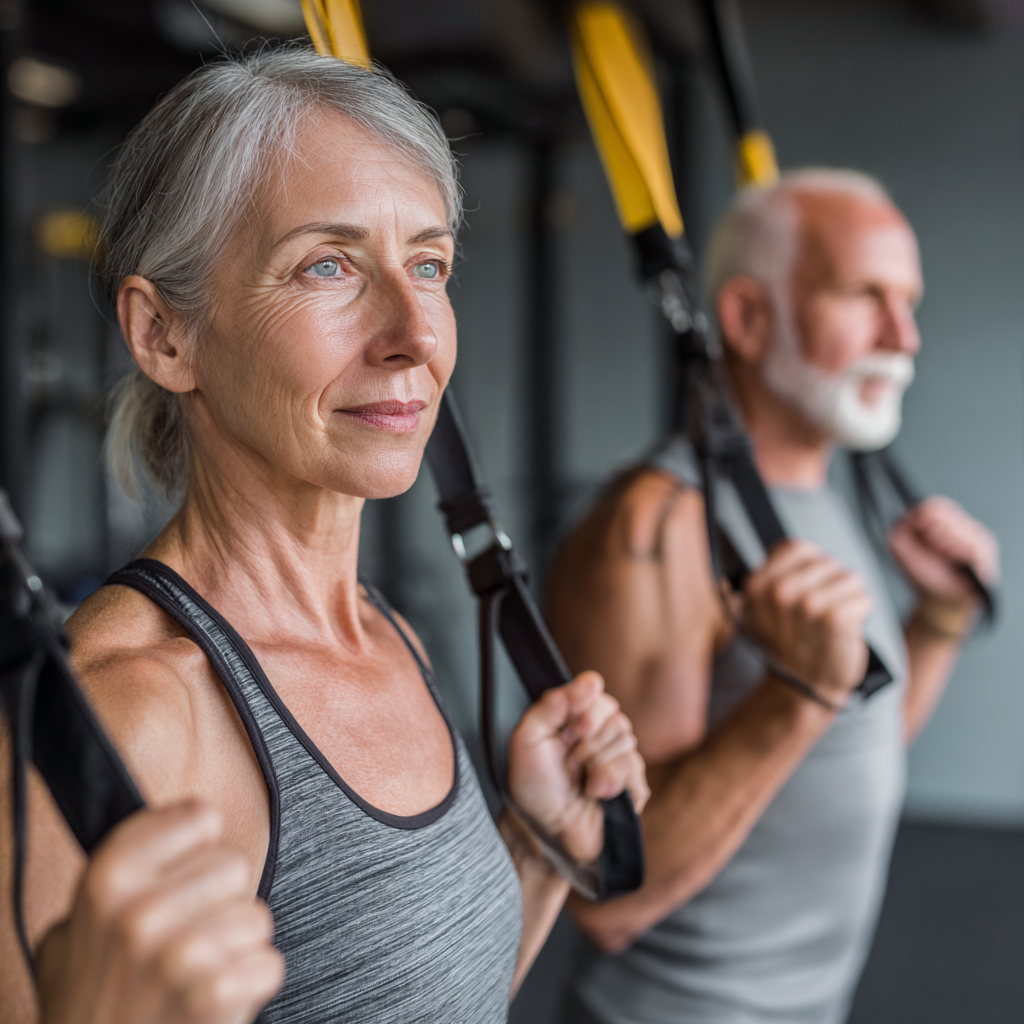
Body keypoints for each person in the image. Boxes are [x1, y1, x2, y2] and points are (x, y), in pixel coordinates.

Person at [0, 47, 649, 1024]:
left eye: (427, 264)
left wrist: (538, 847)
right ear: (165, 335)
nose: (415, 333)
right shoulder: (130, 722)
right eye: (328, 265)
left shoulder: (390, 636)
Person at [548, 168, 999, 1024]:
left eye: (909, 301)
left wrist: (936, 625)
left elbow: (841, 751)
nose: (902, 337)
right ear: (750, 319)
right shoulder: (657, 530)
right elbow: (610, 899)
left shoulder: (817, 496)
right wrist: (795, 697)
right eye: (863, 296)